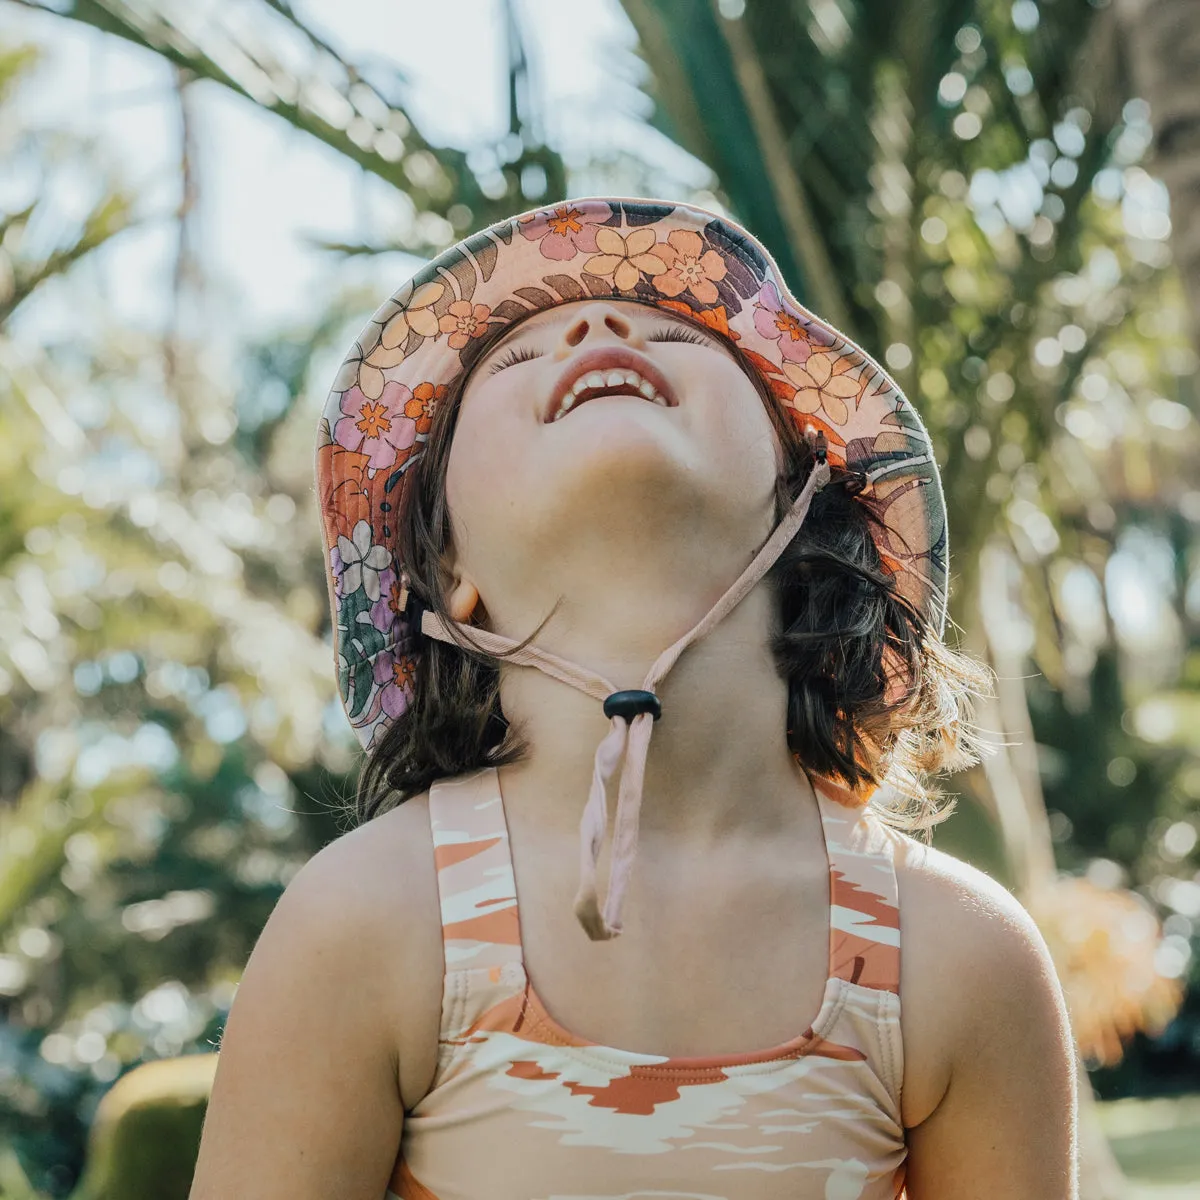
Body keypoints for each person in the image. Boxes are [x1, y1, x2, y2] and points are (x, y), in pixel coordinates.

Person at [189, 198, 1079, 1199]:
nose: (597, 327)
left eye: (672, 335)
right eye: (517, 361)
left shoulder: (951, 954)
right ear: (446, 569)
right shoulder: (369, 923)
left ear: (801, 501)